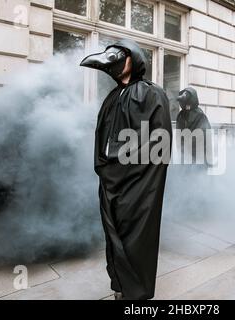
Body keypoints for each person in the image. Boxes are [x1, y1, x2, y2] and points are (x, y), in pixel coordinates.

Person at [80, 39, 172, 300]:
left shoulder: (152, 94)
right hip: (110, 180)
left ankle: (137, 294)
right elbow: (101, 137)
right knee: (114, 234)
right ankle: (120, 285)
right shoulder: (111, 98)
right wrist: (104, 169)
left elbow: (161, 143)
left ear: (135, 60)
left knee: (136, 237)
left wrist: (139, 177)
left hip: (140, 182)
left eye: (121, 55)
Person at [176, 87, 212, 165]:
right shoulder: (180, 115)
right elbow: (178, 135)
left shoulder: (200, 115)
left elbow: (204, 136)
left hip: (198, 156)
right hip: (185, 156)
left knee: (198, 174)